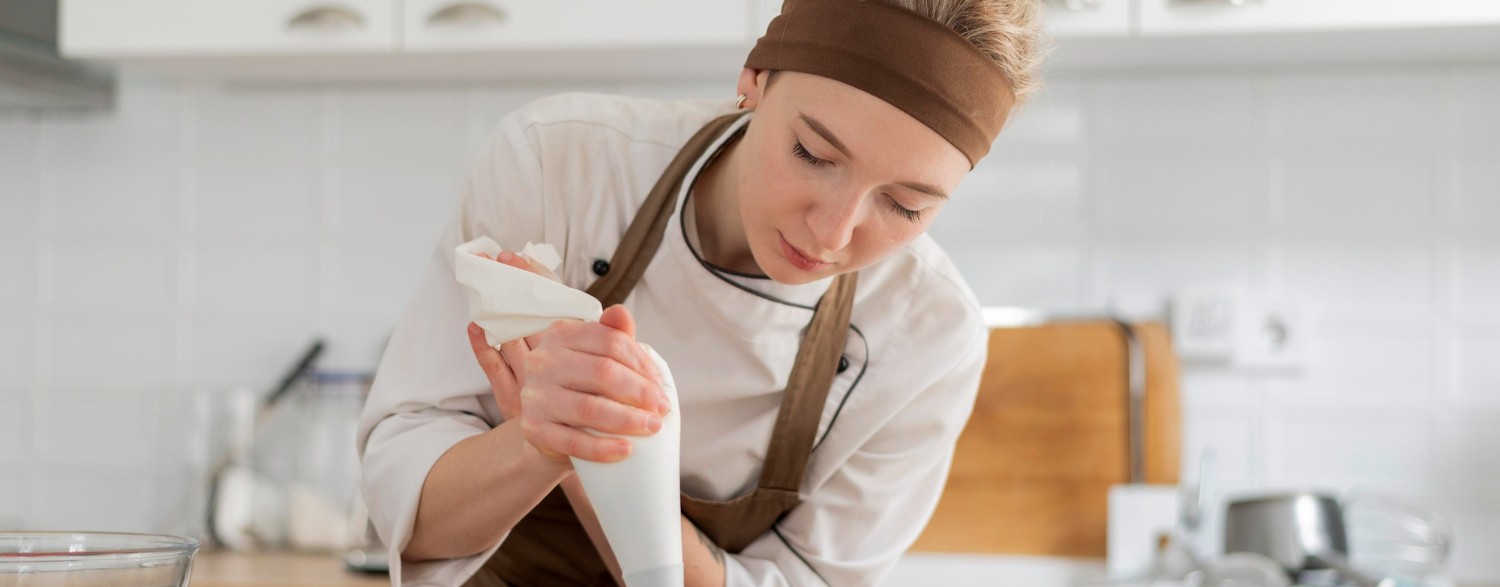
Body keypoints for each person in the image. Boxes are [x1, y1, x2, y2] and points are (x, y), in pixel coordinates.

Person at [356, 0, 1048, 585]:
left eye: (905, 206)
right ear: (753, 78)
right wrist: (541, 444)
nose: (834, 231)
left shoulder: (928, 333)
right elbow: (404, 511)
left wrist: (593, 449)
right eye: (813, 154)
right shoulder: (559, 165)